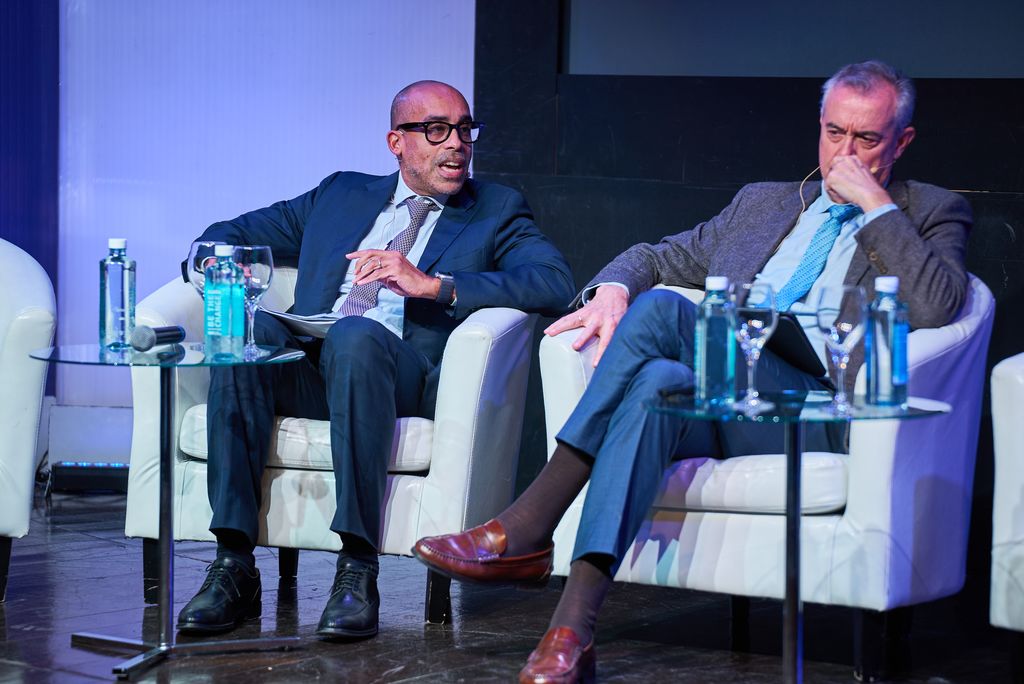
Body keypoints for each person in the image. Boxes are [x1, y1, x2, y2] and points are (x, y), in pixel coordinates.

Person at [413, 61, 971, 683]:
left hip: (814, 409)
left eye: (865, 139)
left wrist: (875, 205)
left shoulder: (930, 211)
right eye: (834, 132)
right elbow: (656, 256)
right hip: (724, 401)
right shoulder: (764, 203)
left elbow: (939, 304)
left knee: (663, 311)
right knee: (655, 382)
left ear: (902, 141)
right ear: (819, 124)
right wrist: (611, 289)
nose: (844, 154)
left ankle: (530, 523)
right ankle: (570, 632)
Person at [176, 80, 575, 640]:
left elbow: (554, 281)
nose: (456, 143)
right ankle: (233, 564)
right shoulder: (340, 193)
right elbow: (232, 233)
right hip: (313, 365)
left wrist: (433, 285)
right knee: (252, 332)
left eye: (465, 130)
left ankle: (357, 568)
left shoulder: (494, 209)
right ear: (397, 142)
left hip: (396, 374)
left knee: (357, 336)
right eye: (437, 130)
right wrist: (215, 264)